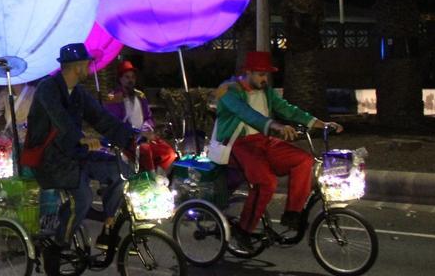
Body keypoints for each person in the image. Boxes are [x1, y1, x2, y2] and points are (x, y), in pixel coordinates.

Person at [23, 43, 148, 250]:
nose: (90, 67)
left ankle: (108, 227)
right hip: (51, 159)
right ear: (76, 66)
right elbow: (59, 118)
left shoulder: (78, 93)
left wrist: (131, 137)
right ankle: (59, 245)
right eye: (87, 64)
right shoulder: (48, 88)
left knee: (120, 170)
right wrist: (80, 137)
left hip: (75, 154)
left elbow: (101, 118)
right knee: (83, 197)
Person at [208, 51, 342, 240]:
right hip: (237, 144)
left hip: (262, 141)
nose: (264, 79)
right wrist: (275, 126)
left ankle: (293, 214)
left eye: (266, 75)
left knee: (303, 160)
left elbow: (287, 109)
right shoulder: (229, 92)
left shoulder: (266, 91)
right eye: (261, 74)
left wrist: (319, 123)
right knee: (266, 182)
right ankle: (244, 230)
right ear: (249, 72)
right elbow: (247, 114)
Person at [104, 60, 177, 177]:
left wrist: (147, 129)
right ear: (120, 79)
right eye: (127, 77)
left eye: (133, 77)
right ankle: (150, 180)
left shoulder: (140, 96)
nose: (130, 80)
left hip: (144, 135)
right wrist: (138, 133)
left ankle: (157, 178)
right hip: (126, 138)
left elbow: (148, 117)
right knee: (145, 149)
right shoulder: (113, 98)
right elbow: (115, 124)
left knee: (169, 153)